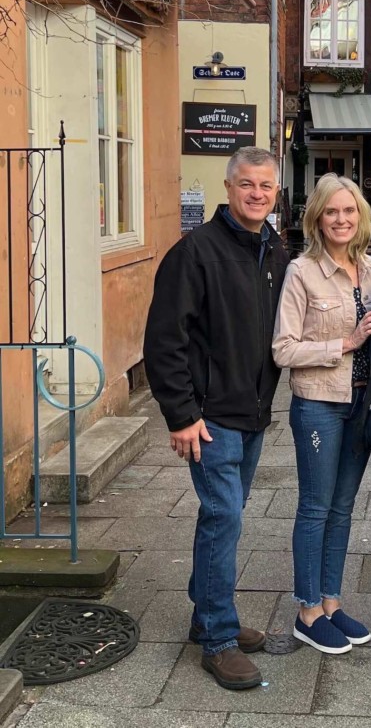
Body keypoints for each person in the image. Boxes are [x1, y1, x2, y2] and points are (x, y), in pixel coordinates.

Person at [143, 147, 288, 691]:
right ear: (228, 188)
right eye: (246, 184)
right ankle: (219, 640)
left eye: (266, 187)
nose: (256, 194)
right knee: (224, 517)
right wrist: (181, 415)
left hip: (252, 413)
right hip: (209, 417)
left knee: (226, 515)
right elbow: (164, 341)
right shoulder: (195, 252)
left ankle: (207, 613)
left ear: (276, 193)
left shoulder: (274, 249)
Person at [272, 174, 371, 655]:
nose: (341, 219)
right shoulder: (302, 271)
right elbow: (282, 349)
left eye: (349, 211)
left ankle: (332, 603)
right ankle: (306, 611)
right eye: (331, 212)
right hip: (319, 402)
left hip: (362, 403)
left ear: (360, 217)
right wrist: (346, 343)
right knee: (316, 507)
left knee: (342, 508)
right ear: (317, 218)